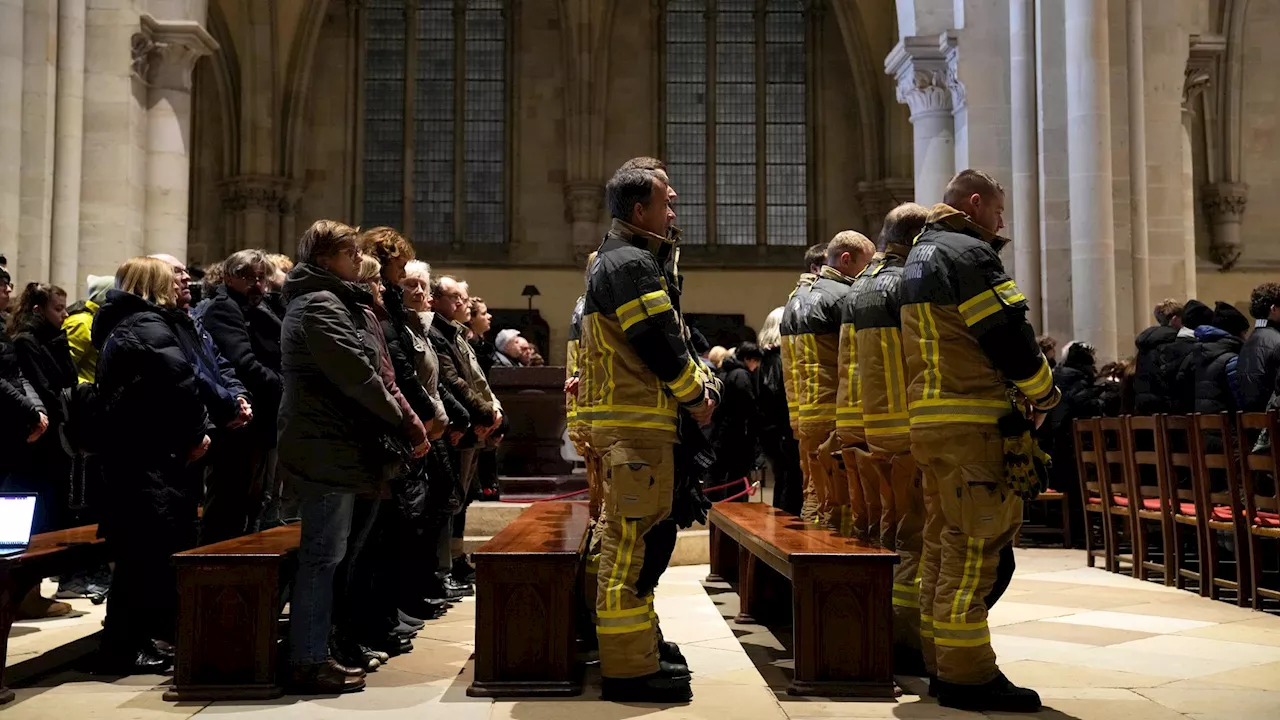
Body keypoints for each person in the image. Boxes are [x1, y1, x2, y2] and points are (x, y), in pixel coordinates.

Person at [901, 169, 1058, 712]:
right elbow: (1008, 335)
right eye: (999, 210)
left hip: (932, 421)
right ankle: (969, 676)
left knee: (946, 546)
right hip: (971, 424)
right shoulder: (968, 254)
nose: (1002, 222)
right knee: (976, 549)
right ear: (974, 204)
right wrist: (1045, 393)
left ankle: (942, 663)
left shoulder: (917, 257)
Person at [579, 160, 716, 703]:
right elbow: (659, 344)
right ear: (640, 210)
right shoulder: (631, 262)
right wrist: (697, 396)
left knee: (641, 543)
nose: (673, 211)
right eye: (667, 202)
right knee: (630, 548)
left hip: (634, 425)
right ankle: (628, 669)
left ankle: (639, 644)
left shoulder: (620, 259)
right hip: (636, 426)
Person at [277, 220, 417, 694]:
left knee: (335, 554)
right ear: (323, 260)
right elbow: (357, 375)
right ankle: (307, 659)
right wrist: (405, 419)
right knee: (323, 555)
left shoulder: (332, 301)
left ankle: (321, 649)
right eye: (348, 253)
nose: (358, 259)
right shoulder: (320, 304)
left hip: (336, 443)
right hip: (324, 445)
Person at [92, 257, 211, 673]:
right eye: (172, 279)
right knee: (140, 555)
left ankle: (138, 639)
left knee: (145, 552)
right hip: (145, 457)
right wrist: (197, 435)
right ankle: (121, 648)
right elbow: (180, 385)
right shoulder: (145, 326)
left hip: (142, 453)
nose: (183, 285)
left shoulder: (135, 324)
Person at [847, 202, 930, 675]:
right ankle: (903, 639)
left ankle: (871, 626)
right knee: (912, 537)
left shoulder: (857, 287)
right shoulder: (906, 282)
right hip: (907, 424)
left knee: (879, 529)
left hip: (869, 423)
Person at [193, 249, 283, 542]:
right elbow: (241, 363)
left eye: (261, 278)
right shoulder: (225, 308)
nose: (258, 285)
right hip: (239, 423)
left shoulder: (255, 306)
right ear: (229, 277)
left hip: (257, 420)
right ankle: (213, 574)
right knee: (228, 504)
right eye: (248, 278)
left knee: (250, 501)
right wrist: (286, 385)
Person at [400, 260, 472, 603]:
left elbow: (436, 383)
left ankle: (432, 580)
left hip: (436, 428)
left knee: (443, 504)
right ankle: (419, 587)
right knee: (420, 513)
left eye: (421, 285)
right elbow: (410, 382)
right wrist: (442, 419)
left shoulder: (422, 329)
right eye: (409, 284)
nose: (417, 291)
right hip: (418, 431)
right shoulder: (402, 328)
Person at [427, 275, 503, 588]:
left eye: (463, 298)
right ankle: (442, 570)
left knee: (460, 501)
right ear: (437, 299)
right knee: (447, 503)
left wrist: (495, 414)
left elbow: (478, 382)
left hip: (471, 425)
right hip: (456, 427)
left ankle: (452, 563)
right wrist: (477, 417)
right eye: (455, 297)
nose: (463, 304)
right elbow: (449, 382)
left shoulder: (458, 334)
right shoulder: (437, 333)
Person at [802, 231, 874, 535]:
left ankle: (810, 563)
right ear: (846, 260)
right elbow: (851, 358)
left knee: (816, 496)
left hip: (807, 411)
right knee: (842, 505)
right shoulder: (842, 297)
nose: (868, 276)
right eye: (866, 266)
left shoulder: (803, 297)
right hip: (834, 411)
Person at [6, 282, 77, 534]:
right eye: (58, 309)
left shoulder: (54, 339)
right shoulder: (26, 342)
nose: (65, 314)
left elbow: (70, 379)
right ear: (37, 310)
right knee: (42, 500)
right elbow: (45, 388)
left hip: (58, 431)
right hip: (43, 435)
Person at [779, 244, 826, 521]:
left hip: (803, 413)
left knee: (813, 492)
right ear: (816, 268)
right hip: (821, 412)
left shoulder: (793, 301)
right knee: (826, 498)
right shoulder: (818, 299)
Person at [755, 306, 802, 515]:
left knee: (783, 480)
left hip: (770, 431)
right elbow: (779, 395)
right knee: (790, 482)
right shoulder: (777, 358)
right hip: (782, 431)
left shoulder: (764, 358)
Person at [706, 341, 762, 501]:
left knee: (722, 474)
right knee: (737, 476)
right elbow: (749, 406)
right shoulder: (741, 375)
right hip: (737, 435)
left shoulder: (726, 371)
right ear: (749, 358)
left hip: (723, 432)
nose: (757, 366)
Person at [1178, 301, 1250, 416]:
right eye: (1244, 332)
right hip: (1229, 430)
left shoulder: (1193, 355)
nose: (1246, 338)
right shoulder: (1232, 360)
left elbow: (1181, 392)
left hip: (1199, 428)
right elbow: (1243, 400)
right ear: (1236, 333)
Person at [1132, 299, 1188, 414]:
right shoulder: (1172, 341)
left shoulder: (1146, 343)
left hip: (1143, 406)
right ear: (1175, 319)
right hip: (1165, 407)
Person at [63, 275, 114, 384]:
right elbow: (62, 366)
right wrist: (86, 389)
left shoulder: (99, 320)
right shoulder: (82, 322)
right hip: (85, 396)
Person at [1239, 283, 1280, 412]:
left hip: (1252, 425)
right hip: (1272, 425)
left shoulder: (1247, 342)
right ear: (1273, 309)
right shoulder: (1277, 341)